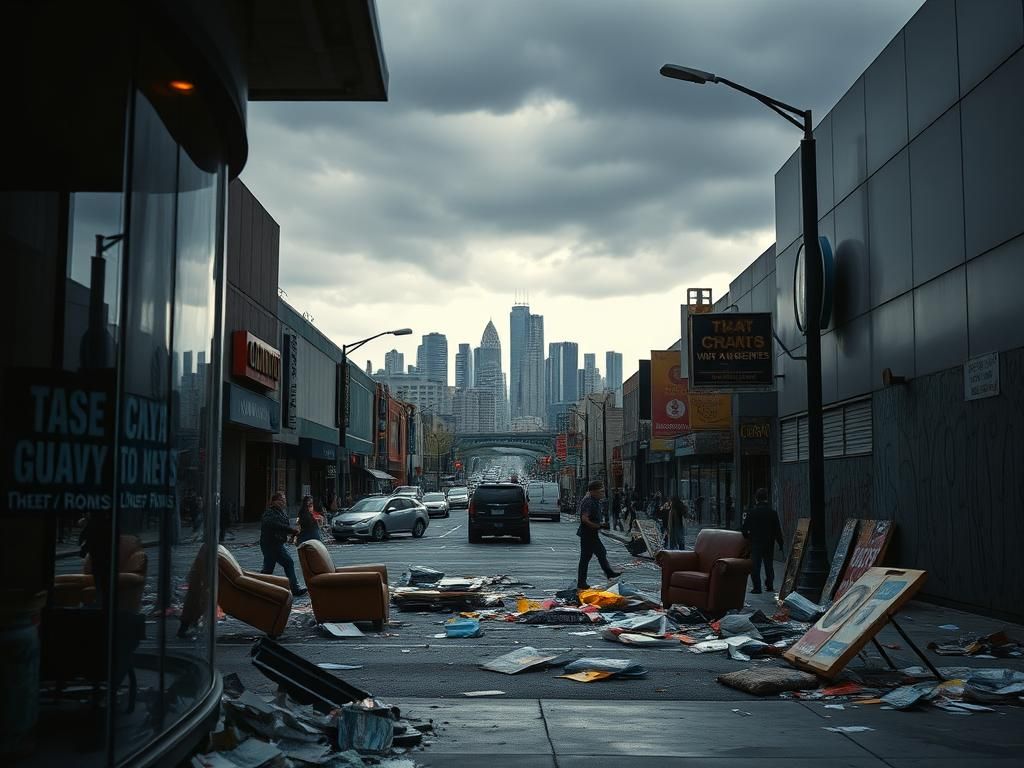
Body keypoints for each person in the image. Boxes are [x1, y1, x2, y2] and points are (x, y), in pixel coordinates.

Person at [576, 480, 622, 588]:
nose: (603, 493)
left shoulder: (594, 500)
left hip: (590, 533)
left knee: (589, 556)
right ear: (593, 491)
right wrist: (598, 525)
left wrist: (599, 525)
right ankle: (607, 573)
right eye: (600, 491)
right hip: (588, 533)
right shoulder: (589, 501)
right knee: (597, 553)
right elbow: (584, 519)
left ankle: (583, 581)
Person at [260, 491, 307, 596]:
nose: (283, 502)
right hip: (272, 544)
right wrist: (291, 530)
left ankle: (259, 588)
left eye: (284, 500)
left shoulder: (281, 512)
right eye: (281, 500)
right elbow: (275, 524)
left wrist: (290, 535)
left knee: (268, 569)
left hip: (275, 543)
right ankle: (295, 588)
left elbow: (283, 527)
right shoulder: (270, 513)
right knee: (288, 562)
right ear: (274, 501)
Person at [740, 487, 785, 594]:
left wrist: (748, 538)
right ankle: (769, 585)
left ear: (756, 498)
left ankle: (757, 588)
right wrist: (780, 543)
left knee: (755, 566)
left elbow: (744, 529)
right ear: (766, 498)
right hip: (769, 542)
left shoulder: (752, 513)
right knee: (769, 565)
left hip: (756, 542)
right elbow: (777, 529)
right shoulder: (772, 513)